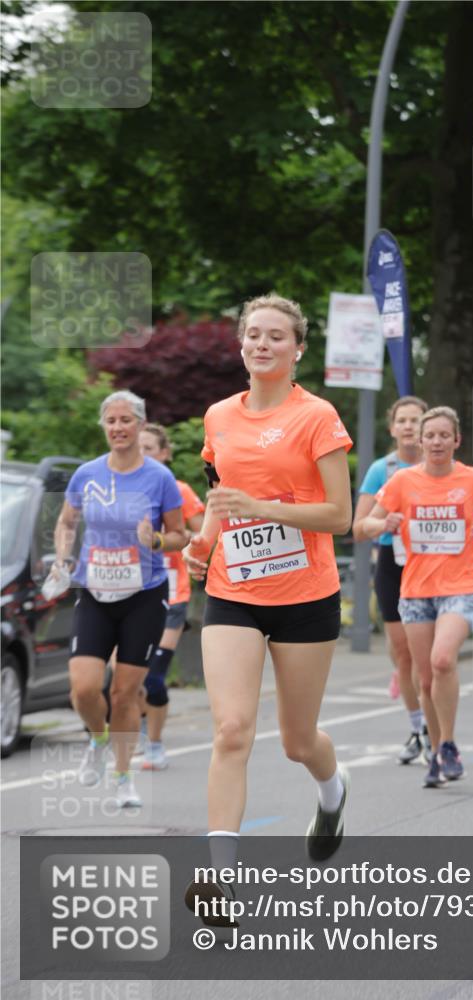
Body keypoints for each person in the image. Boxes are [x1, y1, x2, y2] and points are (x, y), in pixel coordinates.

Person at [182, 293, 353, 897]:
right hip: (234, 589)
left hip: (306, 593)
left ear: (298, 348)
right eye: (253, 334)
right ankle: (220, 879)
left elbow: (340, 515)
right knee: (231, 729)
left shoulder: (317, 417)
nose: (262, 344)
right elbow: (220, 495)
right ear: (241, 344)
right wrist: (203, 542)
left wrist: (263, 508)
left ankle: (332, 791)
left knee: (297, 740)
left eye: (276, 336)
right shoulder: (219, 417)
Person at [48, 391, 186, 807]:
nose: (119, 428)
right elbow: (66, 522)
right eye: (111, 421)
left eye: (127, 420)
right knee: (84, 688)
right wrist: (62, 557)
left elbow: (182, 535)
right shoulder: (87, 474)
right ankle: (98, 740)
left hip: (143, 594)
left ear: (140, 425)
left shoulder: (159, 477)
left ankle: (123, 776)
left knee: (126, 692)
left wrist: (157, 538)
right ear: (103, 426)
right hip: (95, 590)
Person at [363, 406, 473, 788]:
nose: (437, 442)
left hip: (459, 588)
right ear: (419, 441)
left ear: (456, 440)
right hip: (416, 592)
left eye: (445, 435)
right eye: (430, 436)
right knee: (425, 680)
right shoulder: (402, 481)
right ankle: (437, 753)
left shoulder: (472, 478)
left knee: (442, 660)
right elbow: (364, 523)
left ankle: (451, 744)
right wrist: (383, 523)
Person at [353, 395, 429, 765]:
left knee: (428, 656)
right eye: (403, 421)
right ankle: (418, 728)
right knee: (403, 650)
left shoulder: (442, 468)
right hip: (393, 563)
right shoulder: (381, 470)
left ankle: (438, 727)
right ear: (392, 427)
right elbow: (357, 526)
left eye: (416, 420)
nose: (409, 427)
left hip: (433, 566)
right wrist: (384, 523)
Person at [138, 423, 205, 770]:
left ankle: (154, 743)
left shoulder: (178, 489)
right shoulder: (123, 489)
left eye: (149, 448)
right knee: (127, 676)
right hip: (128, 593)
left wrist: (165, 539)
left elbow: (203, 532)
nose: (142, 453)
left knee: (153, 674)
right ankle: (137, 730)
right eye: (138, 448)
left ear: (164, 453)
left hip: (171, 592)